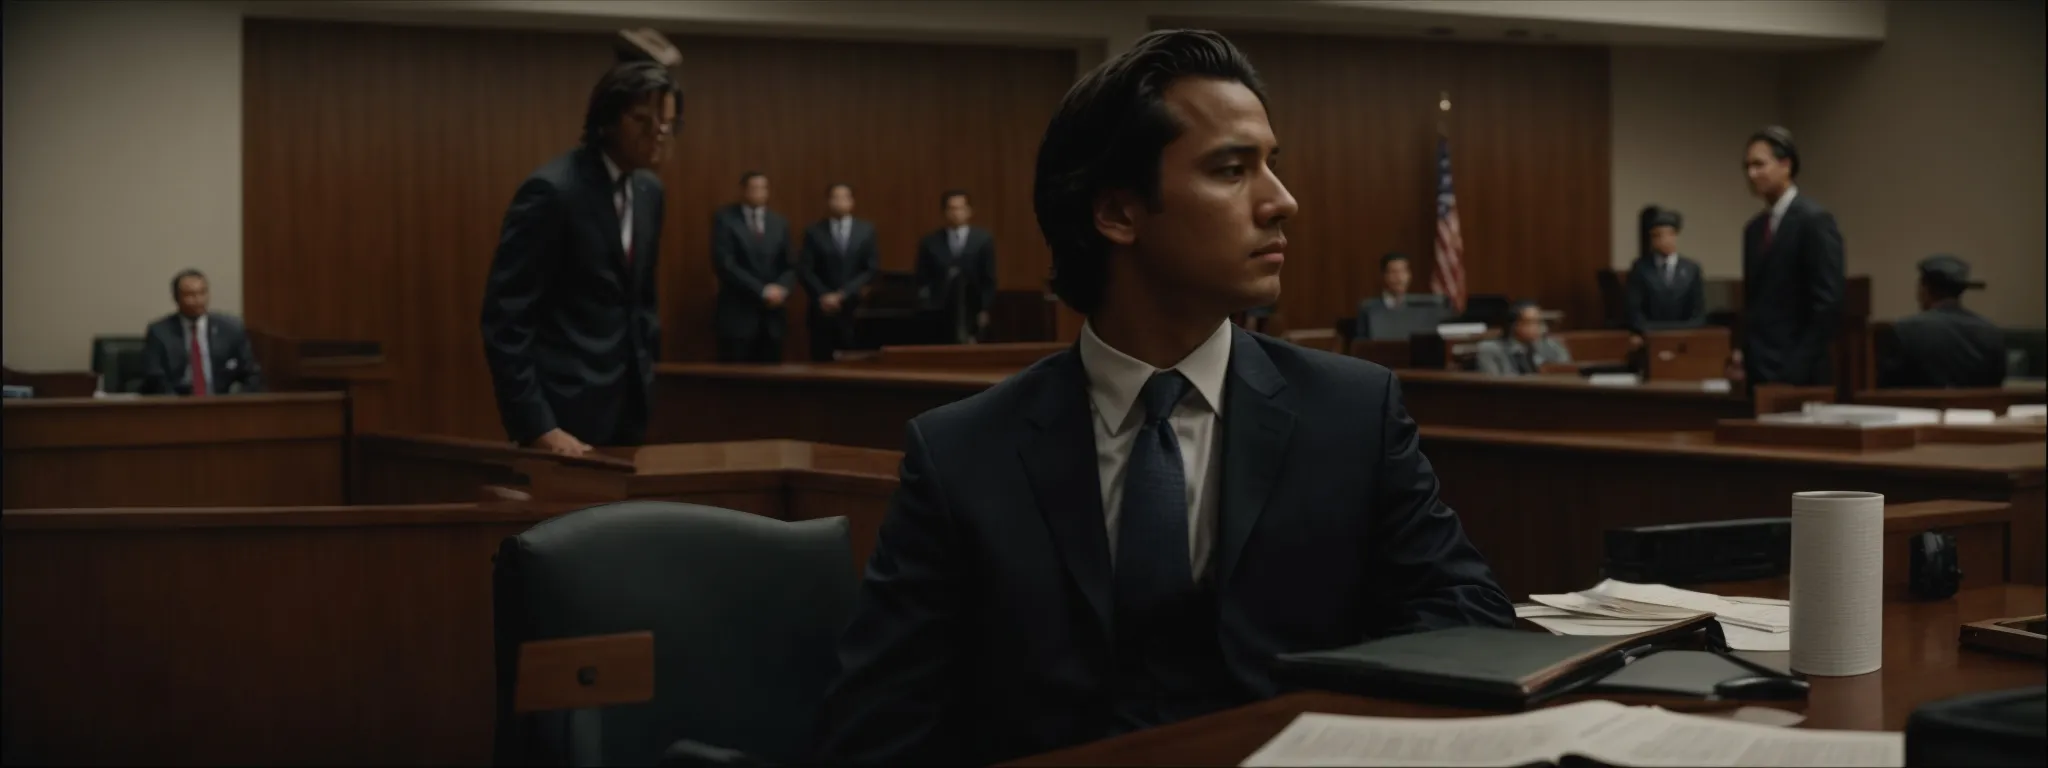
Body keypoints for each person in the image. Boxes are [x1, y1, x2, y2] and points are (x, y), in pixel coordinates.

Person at [816, 29, 1513, 765]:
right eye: (1232, 170)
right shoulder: (961, 455)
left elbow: (1468, 619)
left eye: (1273, 166)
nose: (1283, 202)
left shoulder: (1352, 413)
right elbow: (876, 729)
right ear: (1117, 213)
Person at [481, 61, 677, 455]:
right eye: (644, 120)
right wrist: (537, 426)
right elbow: (506, 321)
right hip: (563, 417)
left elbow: (639, 301)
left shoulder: (650, 192)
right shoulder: (553, 192)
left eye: (667, 122)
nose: (658, 133)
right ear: (607, 120)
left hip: (630, 411)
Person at [1736, 126, 1844, 386]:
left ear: (1785, 165)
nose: (1751, 174)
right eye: (1747, 166)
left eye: (1759, 164)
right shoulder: (1754, 229)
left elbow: (1827, 304)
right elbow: (1754, 302)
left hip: (1799, 373)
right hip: (1758, 370)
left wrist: (1795, 369)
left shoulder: (1814, 220)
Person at [1878, 255, 2005, 388]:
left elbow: (1888, 387)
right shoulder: (1991, 332)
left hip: (1920, 408)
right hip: (1975, 408)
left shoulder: (1904, 330)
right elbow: (1996, 385)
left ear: (1924, 289)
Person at [713, 172, 796, 362]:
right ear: (743, 191)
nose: (759, 192)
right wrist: (762, 290)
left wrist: (781, 289)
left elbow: (790, 265)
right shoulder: (725, 219)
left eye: (763, 188)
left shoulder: (779, 222)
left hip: (773, 317)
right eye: (754, 188)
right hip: (738, 316)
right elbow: (725, 264)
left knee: (771, 383)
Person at [140, 268, 264, 396]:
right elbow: (154, 377)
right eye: (189, 295)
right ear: (176, 298)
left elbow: (251, 374)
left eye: (202, 293)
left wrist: (236, 403)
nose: (198, 300)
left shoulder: (231, 329)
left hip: (221, 405)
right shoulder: (159, 332)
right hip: (176, 405)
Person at [798, 183, 880, 362]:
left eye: (845, 197)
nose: (840, 202)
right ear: (828, 202)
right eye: (835, 197)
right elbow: (805, 269)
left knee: (855, 362)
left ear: (852, 201)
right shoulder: (814, 232)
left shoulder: (866, 231)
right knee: (821, 363)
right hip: (822, 309)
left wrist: (843, 294)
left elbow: (870, 269)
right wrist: (824, 295)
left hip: (855, 309)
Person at [915, 190, 996, 344]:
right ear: (945, 212)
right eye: (951, 208)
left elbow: (989, 279)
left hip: (972, 310)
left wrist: (984, 309)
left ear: (969, 211)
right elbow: (922, 279)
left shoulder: (983, 240)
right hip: (938, 312)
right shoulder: (930, 242)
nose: (956, 213)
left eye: (960, 208)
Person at [1624, 207, 1706, 332]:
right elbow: (1634, 311)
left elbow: (1698, 313)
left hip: (1684, 335)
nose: (1664, 240)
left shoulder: (1691, 269)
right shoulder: (1641, 268)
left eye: (1669, 234)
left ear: (1675, 236)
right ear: (1652, 239)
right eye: (1657, 236)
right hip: (1650, 334)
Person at [1354, 252, 1446, 340]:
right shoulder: (1369, 308)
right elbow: (1361, 345)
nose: (1400, 278)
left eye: (1404, 271)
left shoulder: (1423, 308)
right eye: (1394, 272)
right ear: (1384, 276)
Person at [1475, 301, 1572, 376]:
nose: (1538, 328)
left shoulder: (1551, 346)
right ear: (1514, 325)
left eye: (1539, 322)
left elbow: (1566, 374)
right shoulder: (1490, 350)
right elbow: (1492, 386)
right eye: (1531, 322)